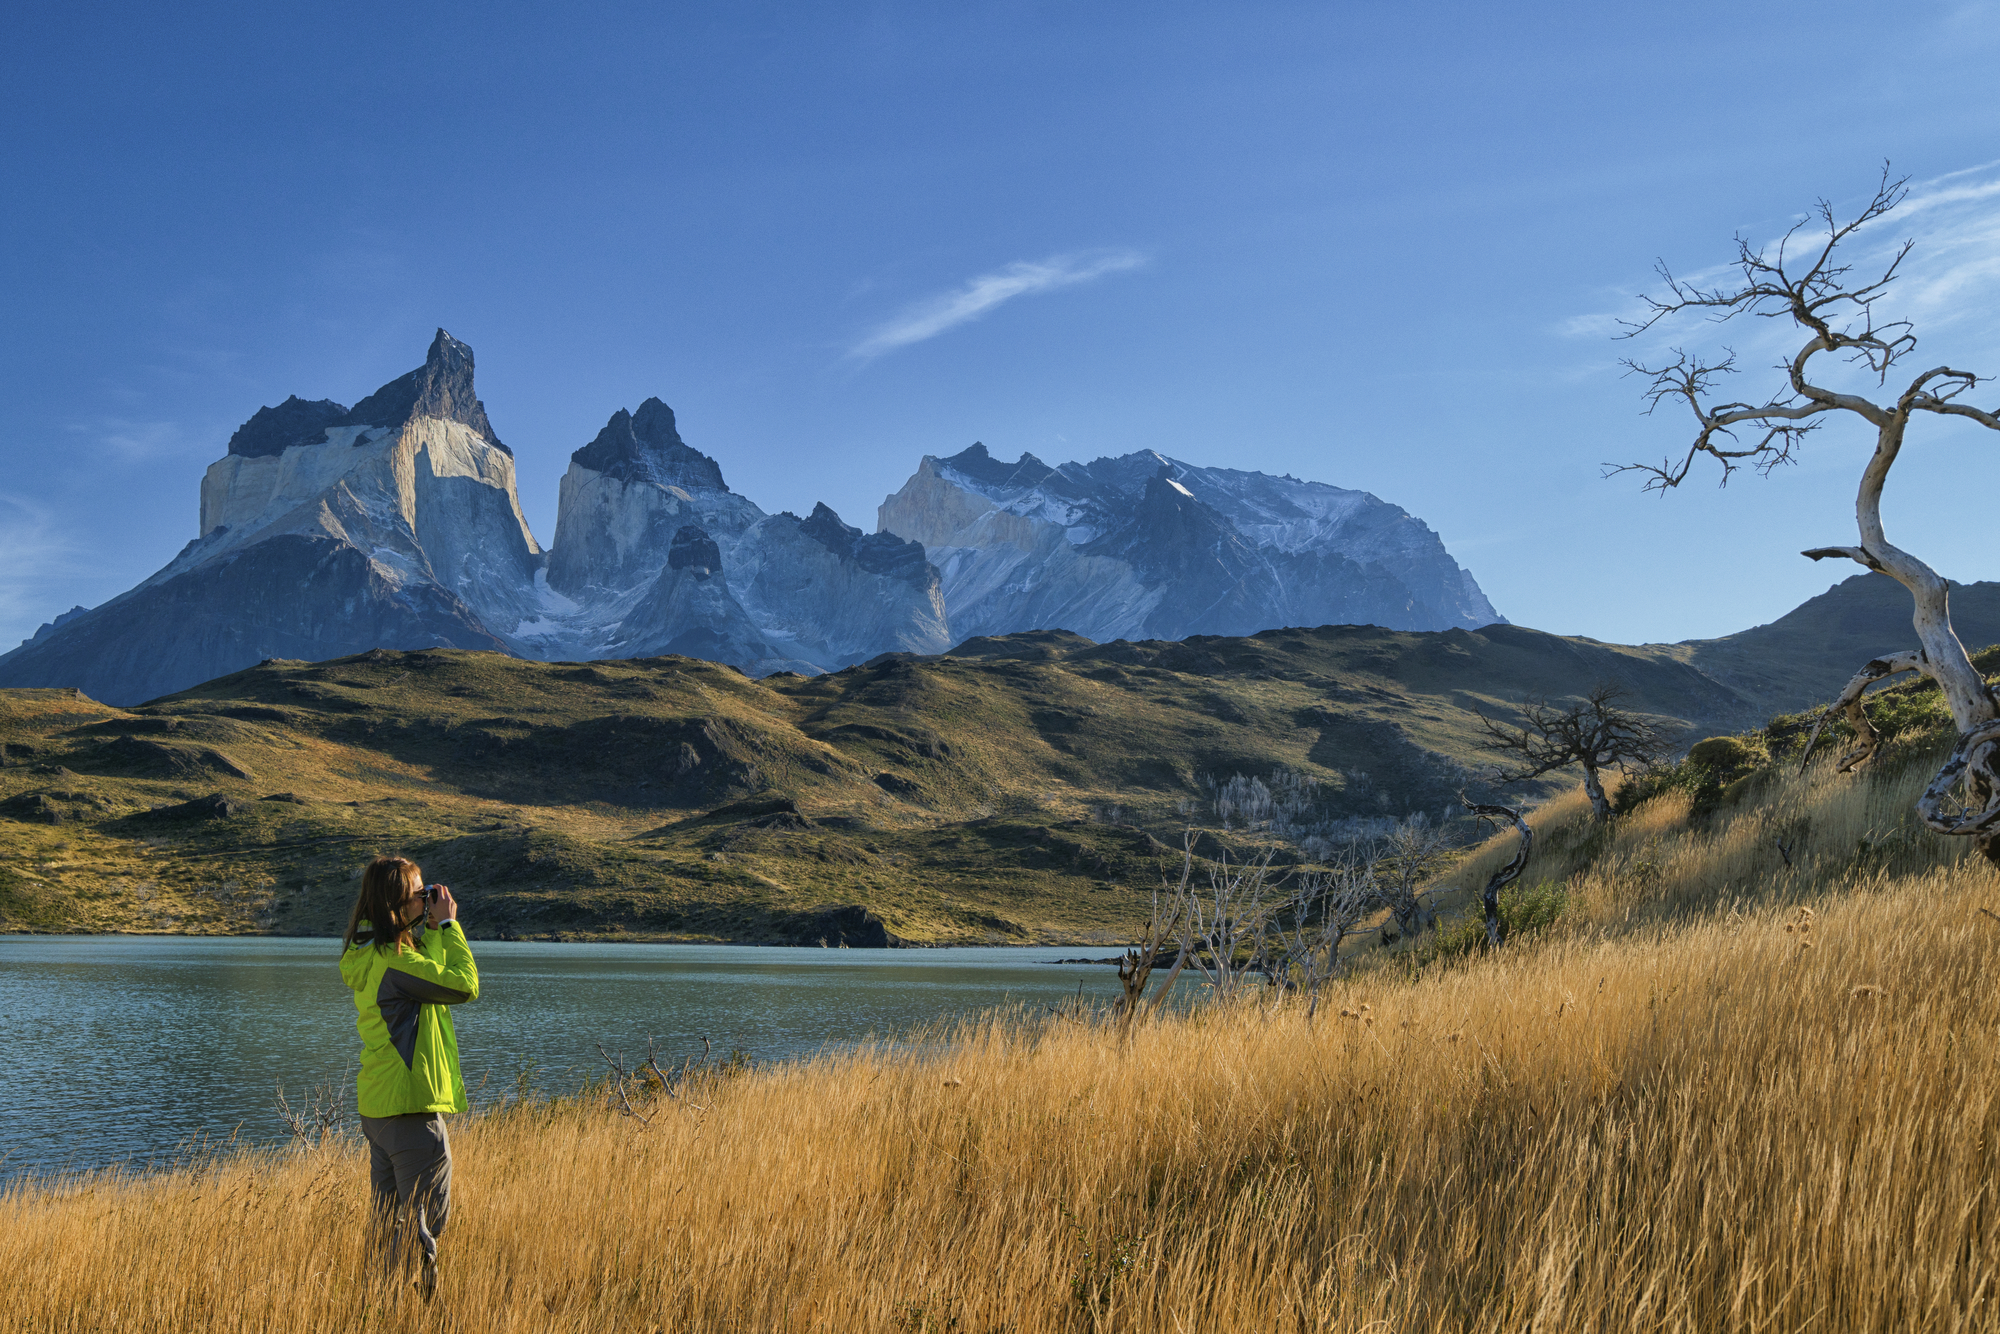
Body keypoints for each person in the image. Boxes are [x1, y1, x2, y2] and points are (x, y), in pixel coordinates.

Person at [339, 855, 479, 1301]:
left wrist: (433, 930)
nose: (428, 897)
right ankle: (416, 1313)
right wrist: (451, 926)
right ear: (398, 903)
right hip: (411, 1113)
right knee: (423, 1232)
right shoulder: (401, 966)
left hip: (380, 1110)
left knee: (387, 1230)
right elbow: (462, 985)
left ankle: (377, 1309)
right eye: (419, 893)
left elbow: (430, 976)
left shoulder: (376, 959)